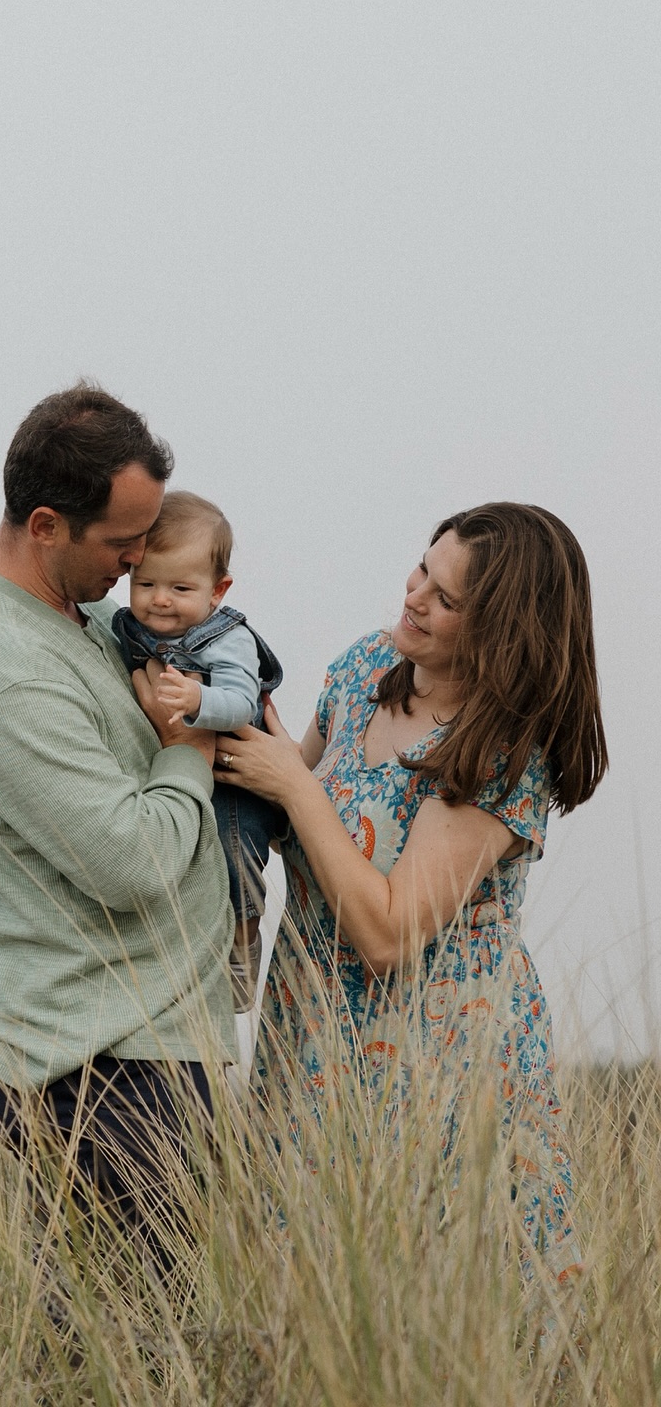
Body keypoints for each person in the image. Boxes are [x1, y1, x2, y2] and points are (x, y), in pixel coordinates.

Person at [216, 503, 606, 1280]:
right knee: (304, 1307)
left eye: (446, 599)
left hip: (440, 1064)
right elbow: (289, 799)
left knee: (432, 1304)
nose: (415, 595)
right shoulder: (364, 669)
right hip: (312, 1039)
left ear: (501, 632)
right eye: (423, 568)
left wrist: (295, 787)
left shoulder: (499, 754)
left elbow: (389, 933)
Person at [0, 384, 235, 1270]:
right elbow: (133, 861)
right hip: (99, 1069)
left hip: (145, 1049)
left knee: (155, 1347)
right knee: (134, 1353)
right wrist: (190, 745)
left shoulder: (91, 615)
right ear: (48, 525)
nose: (141, 560)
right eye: (123, 542)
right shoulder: (7, 675)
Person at [105, 490, 285, 1010]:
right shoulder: (129, 625)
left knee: (234, 859)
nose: (160, 599)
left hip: (236, 778)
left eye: (180, 587)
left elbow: (241, 700)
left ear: (217, 591)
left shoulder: (226, 639)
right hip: (184, 770)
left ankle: (244, 949)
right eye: (146, 584)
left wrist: (198, 698)